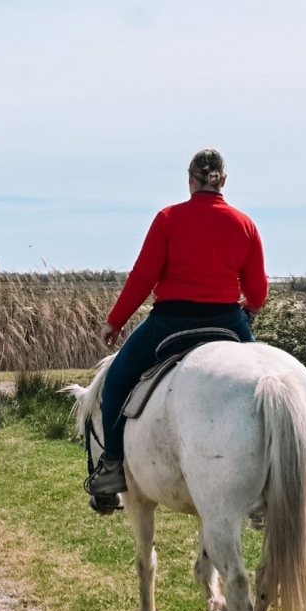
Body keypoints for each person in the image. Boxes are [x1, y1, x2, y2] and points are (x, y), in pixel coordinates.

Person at [85, 148, 268, 505]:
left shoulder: (168, 218)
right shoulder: (245, 224)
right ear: (224, 181)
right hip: (227, 322)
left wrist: (115, 321)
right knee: (263, 380)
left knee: (117, 381)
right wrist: (251, 309)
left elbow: (142, 278)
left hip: (170, 323)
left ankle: (111, 467)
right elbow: (258, 290)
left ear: (190, 180)